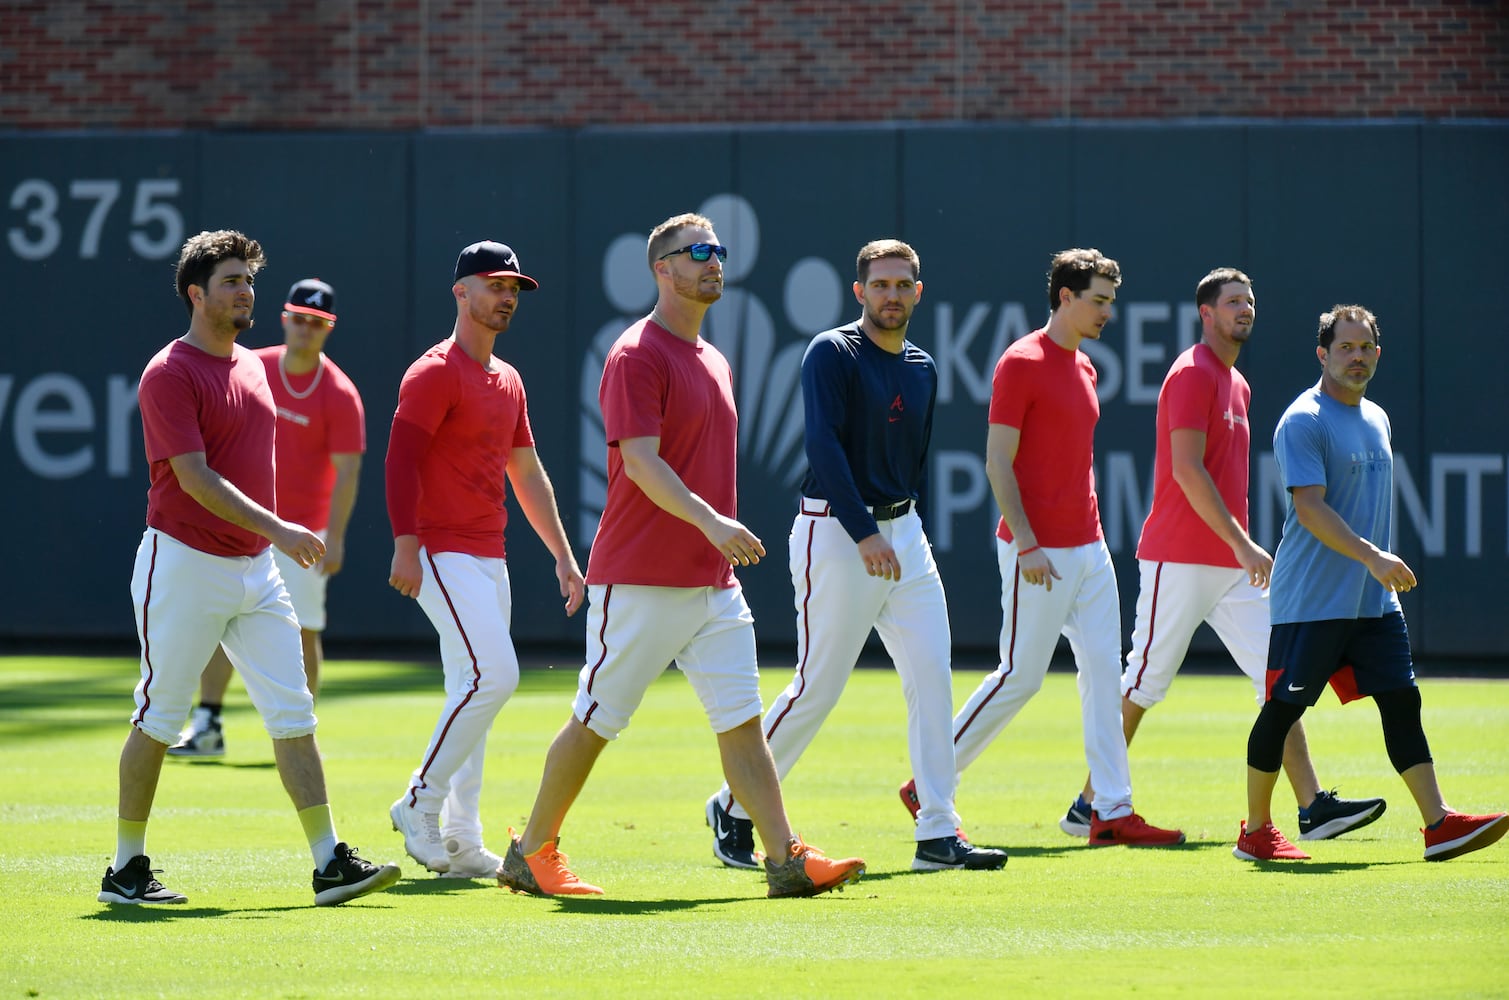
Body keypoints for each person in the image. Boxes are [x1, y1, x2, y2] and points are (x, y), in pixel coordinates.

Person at [496, 212, 865, 899]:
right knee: (596, 719)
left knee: (742, 722)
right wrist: (711, 520)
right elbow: (638, 462)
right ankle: (531, 850)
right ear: (660, 268)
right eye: (697, 252)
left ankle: (783, 856)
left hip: (711, 583)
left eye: (718, 251)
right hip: (639, 577)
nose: (713, 261)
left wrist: (712, 537)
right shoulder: (636, 354)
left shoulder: (714, 358)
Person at [103, 229, 398, 906]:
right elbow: (194, 478)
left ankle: (328, 862)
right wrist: (281, 528)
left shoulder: (251, 368)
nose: (245, 292)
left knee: (294, 713)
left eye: (248, 281)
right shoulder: (169, 372)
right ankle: (126, 868)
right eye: (231, 281)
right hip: (182, 562)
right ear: (195, 294)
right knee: (158, 716)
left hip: (253, 567)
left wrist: (271, 539)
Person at [704, 239, 1004, 874]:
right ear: (858, 292)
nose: (891, 295)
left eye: (902, 285)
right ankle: (732, 805)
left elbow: (913, 462)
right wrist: (866, 531)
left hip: (903, 534)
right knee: (819, 686)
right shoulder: (832, 352)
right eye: (880, 284)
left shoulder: (922, 364)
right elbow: (824, 448)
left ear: (918, 293)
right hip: (837, 535)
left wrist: (898, 529)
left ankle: (938, 832)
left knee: (933, 675)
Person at [1057, 268, 1385, 843]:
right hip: (1179, 557)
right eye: (1232, 301)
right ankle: (1092, 804)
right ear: (1206, 313)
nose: (1244, 309)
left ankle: (1312, 807)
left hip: (1232, 564)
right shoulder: (1191, 372)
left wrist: (1239, 549)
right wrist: (1242, 542)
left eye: (1250, 301)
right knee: (1143, 683)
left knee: (1276, 676)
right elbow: (1186, 470)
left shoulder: (1236, 382)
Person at [913, 248, 1185, 848]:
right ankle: (930, 777)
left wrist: (1087, 543)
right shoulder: (1021, 362)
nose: (1107, 312)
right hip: (1036, 553)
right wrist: (1030, 545)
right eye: (1099, 300)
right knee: (1020, 677)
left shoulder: (1085, 367)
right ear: (1065, 295)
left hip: (1089, 550)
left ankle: (1111, 810)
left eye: (1112, 301)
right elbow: (997, 463)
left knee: (1103, 678)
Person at [1235, 304, 1507, 862]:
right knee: (1282, 711)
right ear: (1322, 354)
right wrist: (1373, 556)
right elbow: (1309, 510)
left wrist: (1373, 570)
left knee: (1403, 702)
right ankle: (1257, 831)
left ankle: (1439, 823)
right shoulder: (1303, 420)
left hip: (1371, 601)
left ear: (1377, 354)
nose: (1356, 357)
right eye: (1345, 348)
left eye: (1365, 348)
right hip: (1310, 601)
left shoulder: (1378, 417)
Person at [385, 240, 586, 879]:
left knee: (470, 689)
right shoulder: (435, 371)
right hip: (440, 549)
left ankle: (461, 840)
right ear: (460, 292)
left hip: (488, 553)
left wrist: (562, 553)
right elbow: (400, 462)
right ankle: (419, 803)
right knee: (494, 676)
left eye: (513, 289)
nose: (505, 298)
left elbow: (525, 471)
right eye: (494, 285)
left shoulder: (508, 379)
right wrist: (406, 543)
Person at [169, 278, 365, 758]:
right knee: (219, 620)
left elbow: (348, 473)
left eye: (316, 323)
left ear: (328, 328)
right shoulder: (254, 366)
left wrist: (334, 537)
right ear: (284, 317)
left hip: (305, 533)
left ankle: (303, 731)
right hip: (249, 523)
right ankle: (208, 724)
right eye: (299, 318)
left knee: (305, 630)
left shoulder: (340, 393)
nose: (305, 329)